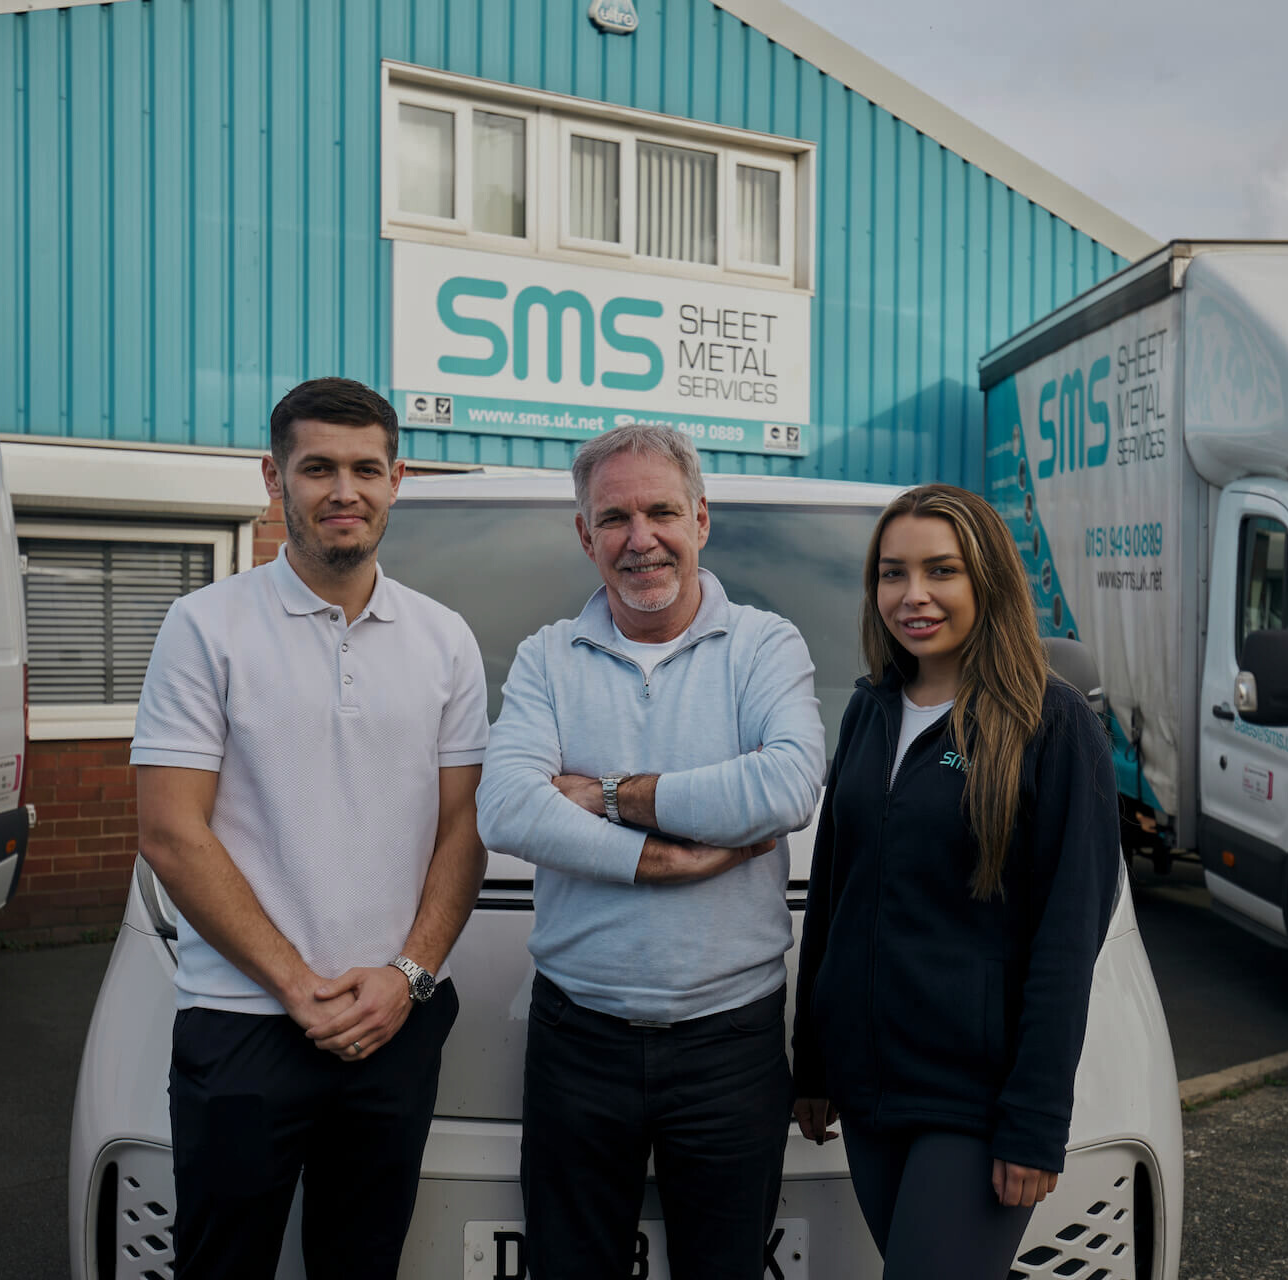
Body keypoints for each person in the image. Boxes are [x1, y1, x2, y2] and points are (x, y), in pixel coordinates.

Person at [132, 377, 489, 1280]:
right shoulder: (203, 626)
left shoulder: (446, 639)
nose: (345, 491)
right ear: (273, 476)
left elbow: (463, 829)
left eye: (367, 468)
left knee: (362, 1265)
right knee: (222, 1266)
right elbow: (172, 833)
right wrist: (295, 983)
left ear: (396, 478)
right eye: (318, 467)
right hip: (244, 1018)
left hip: (393, 1023)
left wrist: (408, 977)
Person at [475, 423, 827, 1280]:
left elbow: (785, 787)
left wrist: (608, 794)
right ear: (585, 535)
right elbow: (506, 806)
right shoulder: (546, 658)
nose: (641, 540)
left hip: (730, 1046)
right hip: (577, 1042)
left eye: (662, 511)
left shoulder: (764, 645)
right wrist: (655, 859)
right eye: (615, 518)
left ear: (701, 519)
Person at [791, 483, 1120, 1278]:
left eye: (942, 571)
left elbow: (1068, 938)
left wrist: (1035, 1121)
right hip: (870, 1095)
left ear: (988, 581)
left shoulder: (1050, 723)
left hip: (972, 1106)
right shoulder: (870, 710)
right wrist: (814, 1064)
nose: (914, 596)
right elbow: (834, 894)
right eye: (892, 573)